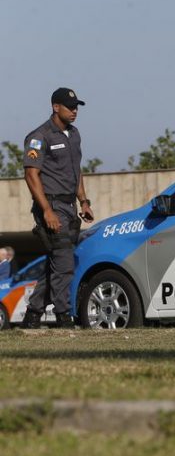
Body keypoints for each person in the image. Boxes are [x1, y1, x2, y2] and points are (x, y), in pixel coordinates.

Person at [22, 87, 94, 329]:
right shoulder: (40, 136)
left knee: (58, 262)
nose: (74, 111)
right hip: (51, 204)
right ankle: (64, 317)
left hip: (70, 206)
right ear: (55, 107)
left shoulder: (74, 135)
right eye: (69, 107)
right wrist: (46, 211)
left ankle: (32, 314)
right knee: (64, 263)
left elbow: (77, 170)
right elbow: (31, 175)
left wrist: (83, 201)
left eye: (76, 107)